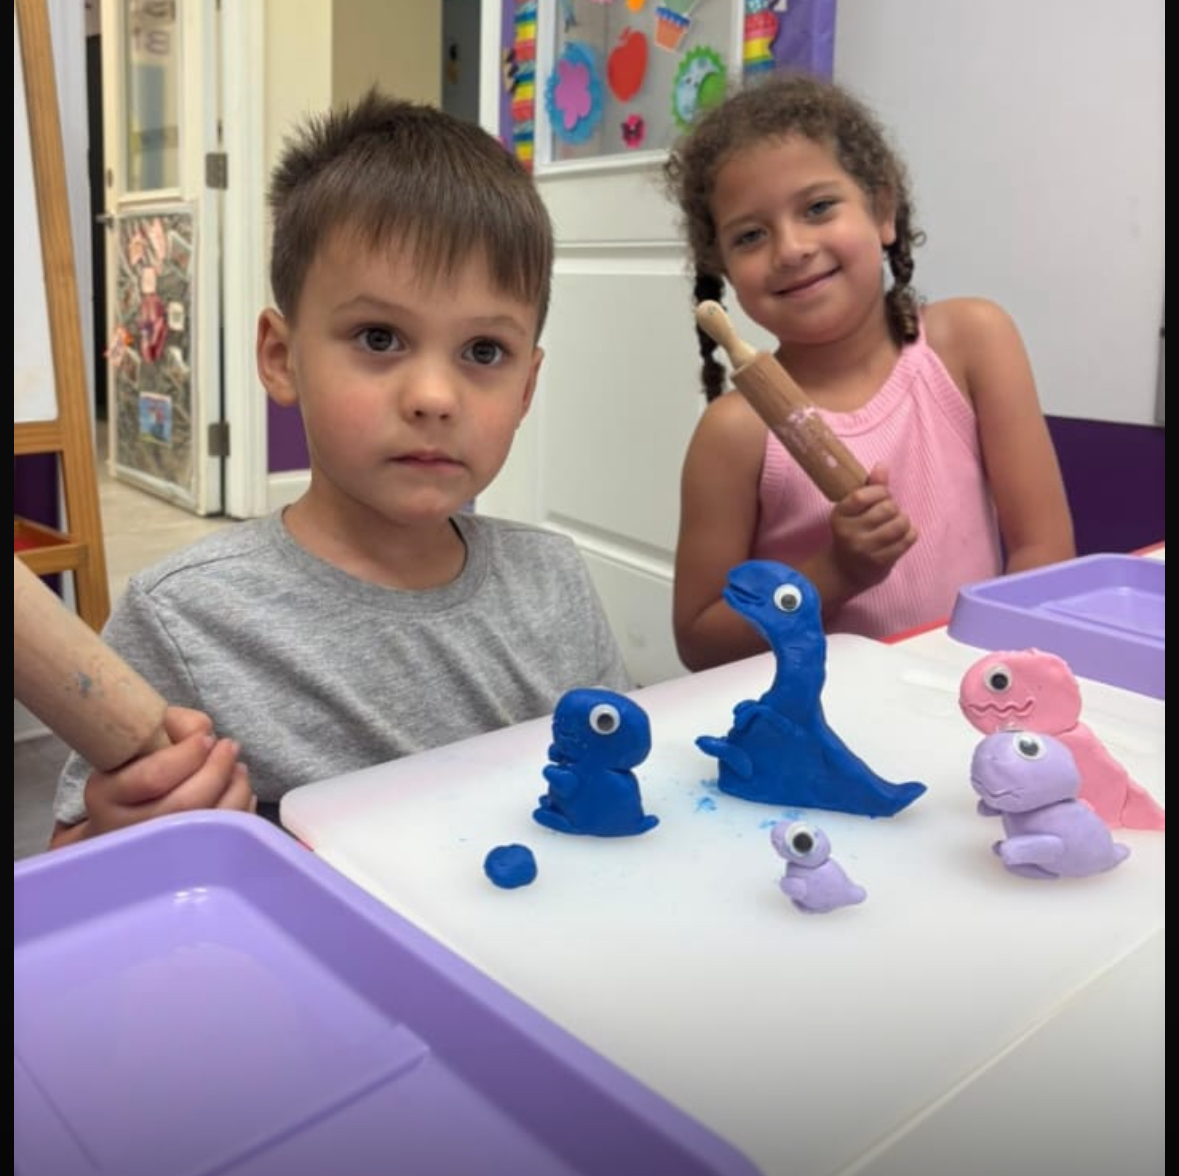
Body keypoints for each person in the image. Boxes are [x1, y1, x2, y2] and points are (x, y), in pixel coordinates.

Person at [50, 91, 630, 846]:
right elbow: (67, 863)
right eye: (379, 337)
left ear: (526, 388)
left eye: (484, 351)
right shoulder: (187, 618)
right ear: (280, 357)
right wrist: (124, 827)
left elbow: (624, 778)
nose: (433, 397)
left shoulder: (554, 584)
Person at [662, 71, 1074, 670]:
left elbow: (1044, 549)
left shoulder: (973, 343)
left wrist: (1002, 676)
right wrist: (834, 572)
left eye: (818, 207)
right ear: (722, 266)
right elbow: (700, 641)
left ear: (882, 210)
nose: (792, 248)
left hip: (980, 688)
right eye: (750, 235)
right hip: (822, 714)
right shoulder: (735, 432)